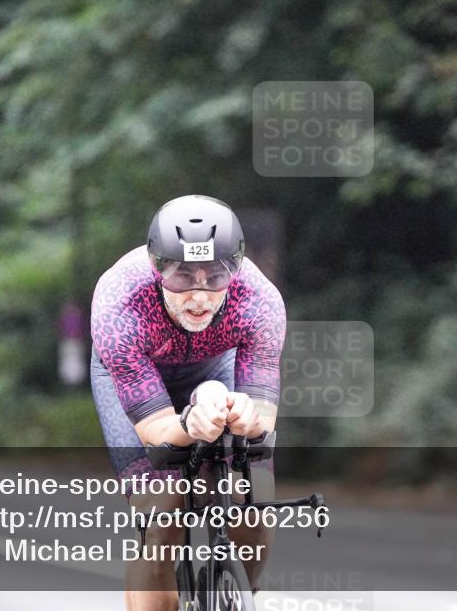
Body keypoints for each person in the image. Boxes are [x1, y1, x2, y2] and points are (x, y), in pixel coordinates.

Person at [90, 194, 286, 611]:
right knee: (162, 511)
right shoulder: (118, 306)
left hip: (215, 368)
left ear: (234, 270)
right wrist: (191, 424)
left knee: (253, 502)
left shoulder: (259, 303)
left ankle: (237, 598)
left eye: (214, 277)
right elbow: (159, 431)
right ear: (156, 266)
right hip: (136, 376)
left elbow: (263, 419)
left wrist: (248, 419)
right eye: (182, 277)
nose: (198, 297)